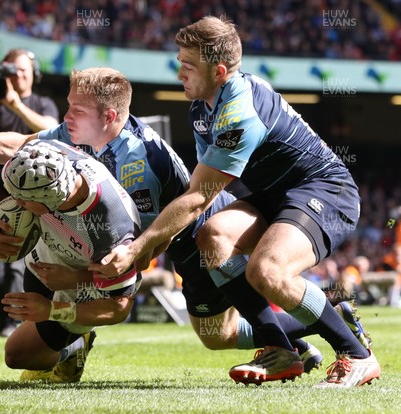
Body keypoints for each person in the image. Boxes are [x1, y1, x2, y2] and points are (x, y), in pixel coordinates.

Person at [0, 67, 356, 384]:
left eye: (75, 108)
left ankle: (324, 322)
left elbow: (142, 252)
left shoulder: (139, 170)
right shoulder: (81, 132)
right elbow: (25, 145)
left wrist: (77, 278)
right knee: (219, 333)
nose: (66, 116)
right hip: (140, 237)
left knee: (218, 334)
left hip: (191, 236)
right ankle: (306, 335)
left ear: (110, 116)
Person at [89, 16, 381, 388]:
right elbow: (199, 192)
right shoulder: (202, 108)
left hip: (323, 190)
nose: (179, 73)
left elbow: (197, 197)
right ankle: (280, 350)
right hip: (272, 197)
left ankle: (356, 354)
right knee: (212, 237)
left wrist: (137, 251)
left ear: (220, 70)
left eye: (188, 65)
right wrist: (149, 248)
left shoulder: (238, 113)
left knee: (267, 271)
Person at [0, 139, 142, 382]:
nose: (16, 202)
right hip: (49, 252)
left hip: (88, 282)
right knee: (32, 333)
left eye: (23, 200)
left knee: (17, 356)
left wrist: (53, 309)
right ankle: (60, 342)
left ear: (52, 204)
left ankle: (75, 349)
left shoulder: (112, 231)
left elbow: (119, 308)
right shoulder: (40, 159)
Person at [0, 48, 59, 337]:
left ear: (35, 73)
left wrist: (15, 104)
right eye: (12, 70)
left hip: (31, 202)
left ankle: (16, 323)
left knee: (16, 265)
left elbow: (51, 129)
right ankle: (4, 319)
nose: (19, 75)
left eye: (23, 69)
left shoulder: (42, 103)